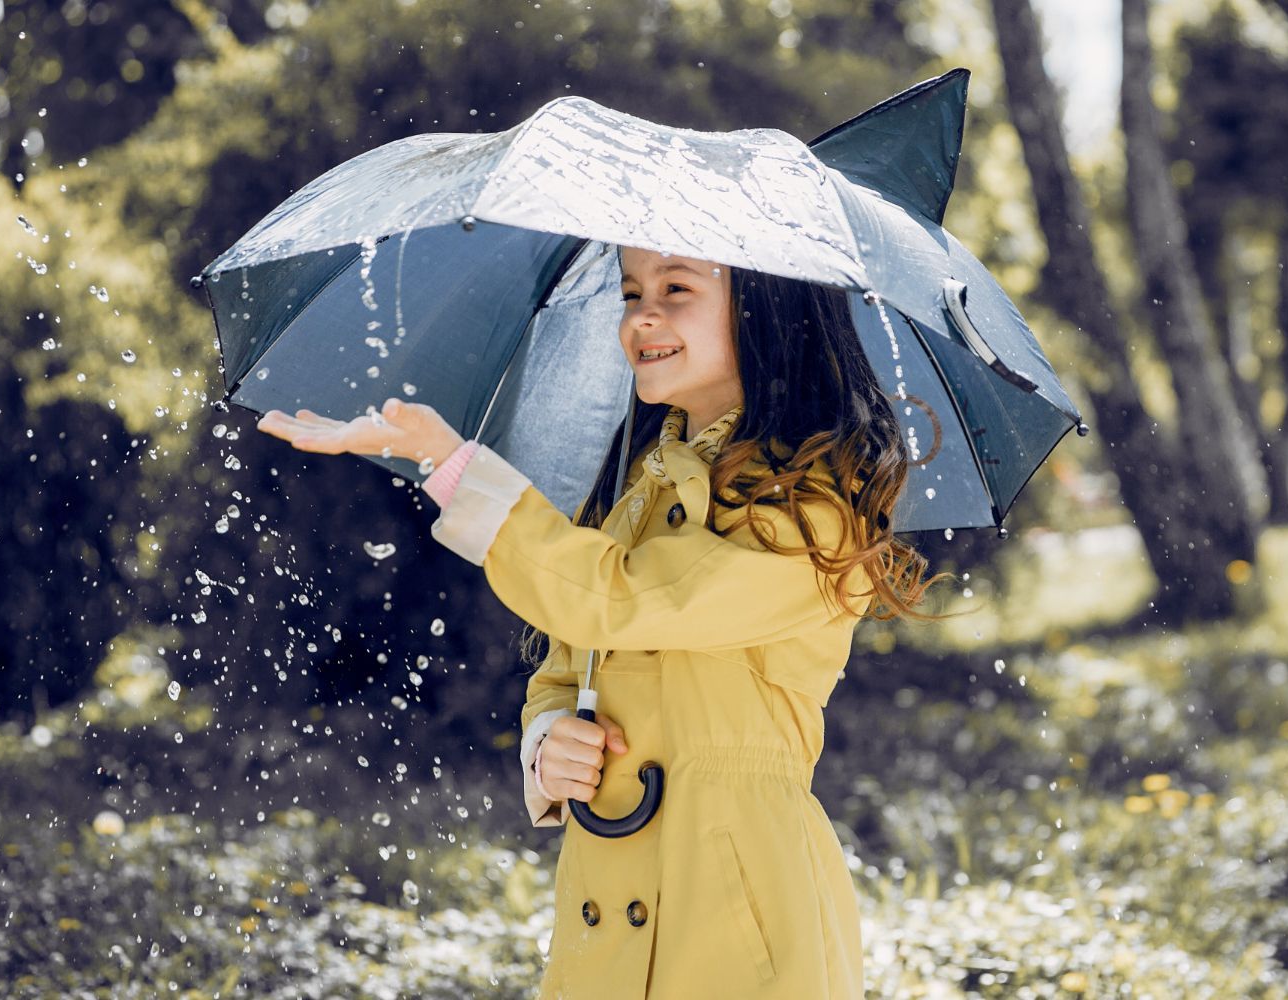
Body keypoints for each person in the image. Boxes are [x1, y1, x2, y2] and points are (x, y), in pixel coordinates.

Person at [257, 245, 950, 999]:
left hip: (737, 902)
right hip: (611, 884)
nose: (642, 315)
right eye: (630, 292)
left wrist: (453, 466)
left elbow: (622, 603)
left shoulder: (813, 512)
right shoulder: (643, 488)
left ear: (766, 307)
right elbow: (568, 664)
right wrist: (548, 742)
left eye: (676, 288)